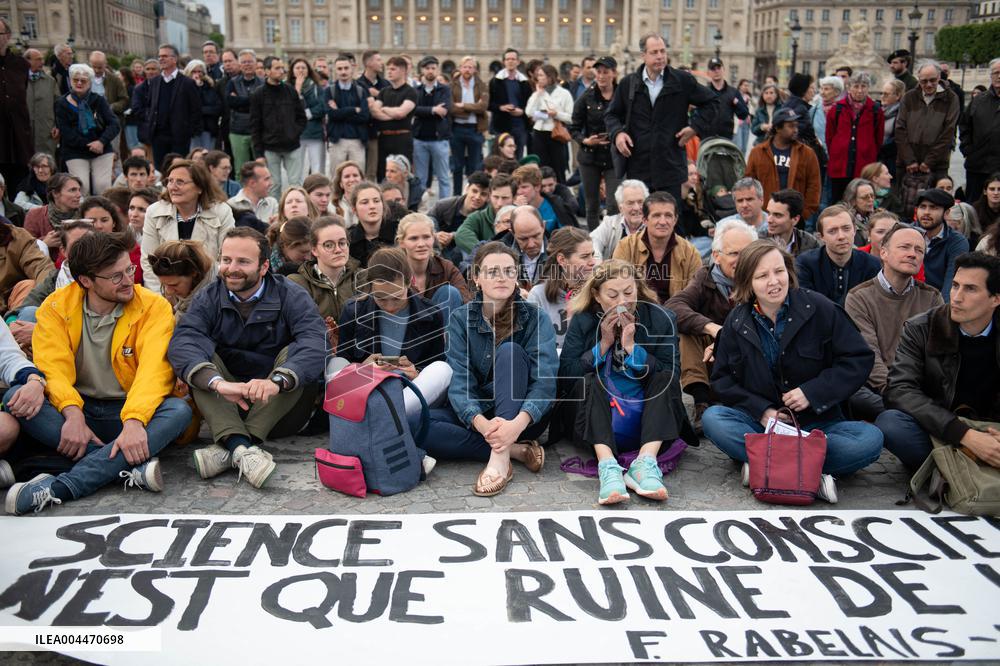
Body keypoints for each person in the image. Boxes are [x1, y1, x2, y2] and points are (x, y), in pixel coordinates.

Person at [4, 232, 192, 515]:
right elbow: (52, 368)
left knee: (179, 410)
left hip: (128, 412)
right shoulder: (55, 307)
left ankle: (62, 487)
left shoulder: (153, 306)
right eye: (116, 276)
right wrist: (72, 412)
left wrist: (134, 421)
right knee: (15, 397)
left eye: (129, 269)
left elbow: (155, 372)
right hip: (79, 414)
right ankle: (126, 466)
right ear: (86, 281)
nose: (129, 280)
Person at [702, 240, 883, 503]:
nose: (774, 281)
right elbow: (722, 380)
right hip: (765, 426)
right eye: (762, 276)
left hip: (820, 426)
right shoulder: (737, 321)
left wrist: (813, 392)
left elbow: (858, 359)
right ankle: (811, 471)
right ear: (747, 283)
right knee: (713, 419)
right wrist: (762, 411)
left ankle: (765, 466)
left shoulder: (820, 308)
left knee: (870, 439)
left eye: (779, 271)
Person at [168, 227, 326, 488]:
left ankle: (231, 445)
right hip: (227, 404)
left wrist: (276, 382)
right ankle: (243, 449)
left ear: (264, 267)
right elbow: (185, 342)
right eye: (226, 260)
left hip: (279, 408)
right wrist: (219, 384)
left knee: (294, 357)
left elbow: (314, 342)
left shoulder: (291, 295)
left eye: (243, 261)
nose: (232, 268)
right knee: (202, 364)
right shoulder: (207, 297)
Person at [423, 242, 556, 496]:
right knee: (417, 423)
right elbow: (459, 381)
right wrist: (483, 424)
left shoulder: (535, 317)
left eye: (508, 271)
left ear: (517, 276)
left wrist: (516, 425)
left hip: (523, 417)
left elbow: (545, 381)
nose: (501, 278)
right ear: (477, 277)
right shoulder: (461, 319)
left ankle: (499, 460)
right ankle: (516, 450)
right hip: (479, 416)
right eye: (492, 272)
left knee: (510, 352)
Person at [559, 258, 693, 503]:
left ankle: (645, 462)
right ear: (597, 296)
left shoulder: (662, 318)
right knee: (590, 380)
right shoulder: (582, 318)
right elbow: (567, 376)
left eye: (629, 292)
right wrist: (604, 345)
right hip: (595, 418)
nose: (622, 302)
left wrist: (633, 349)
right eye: (612, 295)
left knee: (662, 377)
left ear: (639, 289)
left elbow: (672, 378)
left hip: (648, 418)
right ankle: (607, 465)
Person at [876, 251, 1000, 473]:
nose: (957, 297)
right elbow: (900, 389)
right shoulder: (922, 328)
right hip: (941, 430)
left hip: (992, 429)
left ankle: (956, 468)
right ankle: (960, 465)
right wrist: (964, 435)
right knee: (891, 423)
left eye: (970, 289)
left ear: (996, 299)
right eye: (955, 285)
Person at [334, 246, 452, 423]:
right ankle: (387, 420)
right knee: (335, 365)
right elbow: (343, 365)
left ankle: (382, 419)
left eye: (397, 297)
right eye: (380, 298)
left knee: (443, 370)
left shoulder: (431, 314)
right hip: (368, 389)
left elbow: (435, 363)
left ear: (409, 282)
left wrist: (417, 373)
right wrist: (363, 368)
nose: (390, 306)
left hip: (409, 391)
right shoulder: (353, 312)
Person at [845, 223, 942, 421]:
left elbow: (938, 355)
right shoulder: (859, 297)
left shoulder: (932, 297)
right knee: (852, 393)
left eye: (919, 250)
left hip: (918, 386)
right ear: (884, 253)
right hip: (879, 387)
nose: (913, 254)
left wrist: (915, 395)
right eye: (904, 247)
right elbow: (869, 355)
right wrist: (899, 395)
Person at [605, 33, 719, 202]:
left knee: (668, 219)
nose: (660, 56)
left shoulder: (682, 80)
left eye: (662, 51)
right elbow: (611, 115)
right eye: (654, 52)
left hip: (670, 165)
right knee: (641, 220)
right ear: (643, 55)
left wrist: (695, 127)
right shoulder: (628, 83)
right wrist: (617, 134)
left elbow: (713, 102)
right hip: (638, 167)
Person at [665, 219, 757, 426]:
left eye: (747, 253)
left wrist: (731, 336)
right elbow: (673, 306)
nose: (742, 260)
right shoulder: (705, 277)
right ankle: (701, 403)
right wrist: (714, 329)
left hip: (750, 357)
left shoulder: (761, 279)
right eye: (734, 254)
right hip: (713, 360)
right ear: (716, 256)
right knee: (687, 331)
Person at [141, 159, 235, 292]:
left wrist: (208, 297)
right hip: (166, 293)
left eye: (180, 182)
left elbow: (226, 259)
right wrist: (160, 299)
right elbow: (148, 261)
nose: (173, 187)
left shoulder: (221, 212)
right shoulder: (154, 212)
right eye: (170, 181)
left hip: (209, 291)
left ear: (199, 187)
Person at [612, 191, 701, 303]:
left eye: (668, 216)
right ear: (645, 220)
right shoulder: (625, 247)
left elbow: (695, 297)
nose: (663, 222)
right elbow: (617, 288)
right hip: (637, 312)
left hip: (676, 314)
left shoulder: (690, 253)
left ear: (675, 220)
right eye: (656, 215)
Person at [55, 64, 121, 197]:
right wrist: (89, 145)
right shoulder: (62, 103)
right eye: (75, 80)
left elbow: (114, 124)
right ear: (70, 81)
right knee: (81, 186)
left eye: (83, 80)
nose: (79, 83)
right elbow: (66, 131)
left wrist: (101, 142)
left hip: (101, 149)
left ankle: (102, 216)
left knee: (102, 187)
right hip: (75, 150)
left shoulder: (98, 100)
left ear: (89, 82)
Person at [745, 107, 821, 221]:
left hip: (794, 217)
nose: (795, 130)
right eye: (791, 126)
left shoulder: (807, 153)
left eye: (796, 125)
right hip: (766, 216)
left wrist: (805, 212)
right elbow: (749, 182)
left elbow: (814, 184)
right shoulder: (758, 152)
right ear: (777, 128)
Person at [796, 205, 882, 306]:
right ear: (821, 237)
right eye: (832, 231)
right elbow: (806, 305)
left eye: (846, 229)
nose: (841, 236)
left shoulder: (872, 264)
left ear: (854, 230)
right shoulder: (805, 264)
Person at [133, 45, 202, 169]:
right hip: (158, 136)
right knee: (160, 170)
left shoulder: (187, 83)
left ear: (174, 59)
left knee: (179, 169)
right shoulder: (154, 82)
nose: (161, 59)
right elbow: (150, 105)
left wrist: (189, 131)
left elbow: (196, 110)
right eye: (159, 56)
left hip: (180, 137)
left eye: (164, 56)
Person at [571, 55, 620, 231]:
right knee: (591, 205)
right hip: (590, 155)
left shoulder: (622, 95)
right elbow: (574, 127)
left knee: (614, 204)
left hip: (614, 155)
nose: (600, 76)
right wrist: (585, 140)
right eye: (598, 72)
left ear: (614, 73)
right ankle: (594, 244)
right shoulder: (587, 97)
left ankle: (613, 240)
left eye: (605, 72)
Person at [527, 227, 596, 347]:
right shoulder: (538, 295)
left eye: (592, 255)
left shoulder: (597, 291)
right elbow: (531, 343)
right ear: (562, 259)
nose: (592, 262)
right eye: (585, 257)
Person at [895, 61, 960, 187]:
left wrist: (929, 161)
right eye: (924, 81)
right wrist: (909, 160)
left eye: (932, 80)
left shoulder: (951, 99)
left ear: (939, 77)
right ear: (918, 79)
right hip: (907, 164)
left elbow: (948, 132)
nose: (929, 85)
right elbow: (900, 129)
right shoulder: (909, 97)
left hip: (937, 165)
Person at [250, 57, 306, 199]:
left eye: (282, 68)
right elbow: (255, 125)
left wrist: (294, 132)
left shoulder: (290, 91)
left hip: (292, 146)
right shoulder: (258, 94)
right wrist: (259, 154)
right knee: (273, 186)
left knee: (296, 185)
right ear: (267, 71)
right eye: (277, 68)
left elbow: (301, 117)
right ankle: (273, 217)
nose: (282, 71)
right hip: (270, 147)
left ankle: (297, 217)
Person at [397, 212, 470, 319]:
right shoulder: (392, 269)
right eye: (414, 238)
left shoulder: (445, 267)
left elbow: (466, 300)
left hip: (441, 329)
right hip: (405, 329)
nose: (421, 244)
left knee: (450, 293)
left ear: (433, 238)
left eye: (426, 237)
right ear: (401, 242)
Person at [288, 216, 361, 321]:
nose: (338, 250)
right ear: (314, 250)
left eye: (342, 243)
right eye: (329, 245)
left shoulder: (363, 277)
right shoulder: (298, 284)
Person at [826, 73, 884, 203]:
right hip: (839, 166)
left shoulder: (875, 110)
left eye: (863, 86)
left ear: (868, 88)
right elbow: (829, 137)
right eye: (856, 86)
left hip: (864, 165)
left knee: (861, 201)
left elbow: (878, 139)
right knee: (838, 201)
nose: (860, 90)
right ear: (849, 88)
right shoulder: (837, 109)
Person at [370, 56, 418, 182]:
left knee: (402, 175)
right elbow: (375, 112)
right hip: (384, 139)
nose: (389, 72)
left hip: (402, 139)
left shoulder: (411, 92)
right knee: (383, 175)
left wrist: (384, 109)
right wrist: (393, 113)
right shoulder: (384, 91)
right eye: (388, 69)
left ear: (403, 71)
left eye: (393, 69)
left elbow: (401, 113)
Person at [959, 58, 1000, 206]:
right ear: (991, 76)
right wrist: (967, 150)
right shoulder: (978, 101)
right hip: (977, 165)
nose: (999, 76)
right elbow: (964, 126)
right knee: (973, 205)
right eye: (996, 73)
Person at [916, 188, 969, 300]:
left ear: (946, 213)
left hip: (937, 302)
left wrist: (941, 313)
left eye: (933, 208)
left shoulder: (956, 241)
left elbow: (951, 281)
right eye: (922, 206)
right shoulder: (905, 234)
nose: (926, 212)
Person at [411, 56, 453, 201]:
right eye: (427, 68)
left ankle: (445, 210)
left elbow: (445, 109)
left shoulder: (445, 89)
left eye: (433, 68)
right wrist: (433, 110)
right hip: (420, 139)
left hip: (439, 139)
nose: (430, 71)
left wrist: (425, 111)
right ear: (422, 70)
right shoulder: (416, 90)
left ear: (437, 70)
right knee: (420, 179)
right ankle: (421, 209)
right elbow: (413, 109)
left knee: (444, 178)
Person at [525, 64, 574, 183]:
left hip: (556, 134)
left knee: (558, 168)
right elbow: (529, 112)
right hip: (539, 134)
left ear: (550, 77)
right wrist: (538, 95)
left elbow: (571, 117)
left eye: (541, 75)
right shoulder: (538, 93)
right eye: (538, 75)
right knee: (541, 169)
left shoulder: (564, 94)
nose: (538, 78)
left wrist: (556, 114)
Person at [79, 195, 143, 285]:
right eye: (92, 221)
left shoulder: (129, 248)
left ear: (114, 223)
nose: (99, 226)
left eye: (104, 220)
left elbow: (134, 280)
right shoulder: (75, 246)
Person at [428, 171, 489, 264]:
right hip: (438, 245)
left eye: (483, 194)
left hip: (464, 253)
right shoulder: (444, 205)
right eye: (474, 191)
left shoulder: (486, 215)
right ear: (467, 188)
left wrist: (452, 236)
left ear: (488, 197)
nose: (477, 197)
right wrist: (435, 234)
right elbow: (427, 219)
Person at [0, 19, 32, 192]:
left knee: (18, 187)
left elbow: (22, 96)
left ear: (8, 36)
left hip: (18, 137)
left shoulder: (21, 65)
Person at [147, 239, 215, 319]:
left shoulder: (214, 300)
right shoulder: (174, 294)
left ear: (193, 272)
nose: (169, 291)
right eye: (164, 284)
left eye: (174, 285)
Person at [325, 55, 370, 175]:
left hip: (357, 141)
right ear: (335, 70)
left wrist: (340, 111)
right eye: (340, 69)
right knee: (335, 179)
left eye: (346, 68)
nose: (343, 72)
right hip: (337, 140)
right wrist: (353, 109)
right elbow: (331, 114)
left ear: (352, 69)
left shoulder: (361, 90)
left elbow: (365, 116)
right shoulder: (330, 91)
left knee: (358, 178)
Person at [450, 56, 489, 194]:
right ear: (460, 68)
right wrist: (473, 106)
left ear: (475, 69)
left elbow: (483, 106)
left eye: (470, 67)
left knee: (475, 166)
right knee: (457, 166)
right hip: (457, 128)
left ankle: (474, 194)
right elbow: (451, 107)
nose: (467, 70)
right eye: (465, 67)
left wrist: (462, 105)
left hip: (475, 129)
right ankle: (456, 195)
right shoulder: (452, 85)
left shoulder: (482, 85)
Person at [24, 173, 84, 261]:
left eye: (79, 190)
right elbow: (25, 250)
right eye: (73, 190)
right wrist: (44, 244)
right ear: (55, 193)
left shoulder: (85, 214)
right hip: (46, 270)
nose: (79, 195)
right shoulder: (35, 215)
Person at [453, 173, 516, 256]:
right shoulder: (479, 217)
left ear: (514, 198)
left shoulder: (521, 216)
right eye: (496, 197)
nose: (499, 203)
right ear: (489, 196)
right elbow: (461, 234)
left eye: (505, 198)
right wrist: (486, 254)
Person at [225, 50, 264, 173]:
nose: (247, 64)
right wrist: (253, 100)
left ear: (256, 63)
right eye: (244, 62)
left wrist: (240, 100)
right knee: (240, 169)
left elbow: (264, 104)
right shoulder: (232, 82)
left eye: (250, 61)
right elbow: (231, 102)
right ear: (239, 64)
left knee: (261, 169)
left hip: (259, 131)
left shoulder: (263, 82)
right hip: (238, 130)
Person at [590, 179, 649, 261]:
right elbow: (593, 242)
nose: (636, 208)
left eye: (640, 202)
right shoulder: (610, 223)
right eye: (630, 203)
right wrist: (598, 264)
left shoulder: (654, 225)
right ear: (620, 207)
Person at [489, 49, 533, 158]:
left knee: (518, 156)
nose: (510, 61)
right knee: (500, 157)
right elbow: (489, 104)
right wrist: (501, 107)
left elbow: (530, 105)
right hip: (501, 125)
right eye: (508, 59)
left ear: (518, 62)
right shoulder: (495, 82)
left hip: (520, 126)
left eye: (513, 59)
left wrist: (522, 111)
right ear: (504, 62)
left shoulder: (524, 83)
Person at [288, 58, 327, 176]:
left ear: (308, 70)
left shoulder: (316, 87)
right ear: (292, 70)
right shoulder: (287, 86)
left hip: (314, 133)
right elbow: (288, 109)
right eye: (297, 68)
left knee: (317, 168)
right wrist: (297, 90)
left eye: (303, 68)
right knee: (298, 169)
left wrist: (305, 114)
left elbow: (322, 107)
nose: (300, 70)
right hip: (296, 134)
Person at [510, 164, 575, 233]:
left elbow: (567, 235)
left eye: (524, 187)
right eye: (517, 188)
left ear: (537, 187)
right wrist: (519, 212)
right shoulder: (514, 208)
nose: (519, 192)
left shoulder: (555, 205)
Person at [348, 181, 400, 266]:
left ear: (383, 205)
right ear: (354, 209)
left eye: (376, 201)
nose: (372, 206)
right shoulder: (349, 239)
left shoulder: (398, 231)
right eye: (365, 202)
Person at [700, 58, 749, 141]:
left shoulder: (733, 92)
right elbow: (696, 114)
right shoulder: (704, 92)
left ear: (723, 70)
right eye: (713, 69)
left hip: (726, 139)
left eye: (718, 68)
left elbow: (744, 115)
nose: (716, 71)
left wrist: (737, 103)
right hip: (707, 139)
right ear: (709, 73)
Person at [764, 188, 821, 257]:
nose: (769, 220)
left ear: (795, 219)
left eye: (777, 215)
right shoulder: (757, 240)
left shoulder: (810, 244)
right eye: (769, 213)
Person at [24, 49, 59, 159]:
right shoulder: (18, 80)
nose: (42, 62)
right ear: (27, 61)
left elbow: (58, 105)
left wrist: (57, 125)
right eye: (38, 59)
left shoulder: (50, 81)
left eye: (42, 59)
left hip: (46, 132)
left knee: (47, 163)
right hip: (24, 132)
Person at [183, 60, 222, 151]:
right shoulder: (183, 88)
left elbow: (217, 108)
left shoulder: (210, 87)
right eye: (194, 71)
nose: (197, 74)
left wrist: (200, 110)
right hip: (192, 130)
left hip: (208, 128)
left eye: (199, 71)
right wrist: (195, 87)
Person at [227, 161, 278, 228]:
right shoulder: (231, 206)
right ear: (252, 183)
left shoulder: (272, 203)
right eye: (266, 179)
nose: (271, 183)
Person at [879, 78, 906, 176]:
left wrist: (879, 147)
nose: (882, 97)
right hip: (878, 161)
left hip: (892, 161)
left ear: (898, 96)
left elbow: (898, 139)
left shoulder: (903, 114)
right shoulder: (878, 111)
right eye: (881, 93)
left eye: (886, 94)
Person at [842, 177, 878, 246]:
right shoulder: (846, 220)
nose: (871, 200)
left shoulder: (877, 216)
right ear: (853, 200)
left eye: (872, 196)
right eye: (865, 197)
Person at [331, 160, 364, 225]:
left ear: (362, 180)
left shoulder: (371, 202)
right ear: (341, 183)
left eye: (355, 175)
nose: (352, 180)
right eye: (347, 176)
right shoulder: (332, 206)